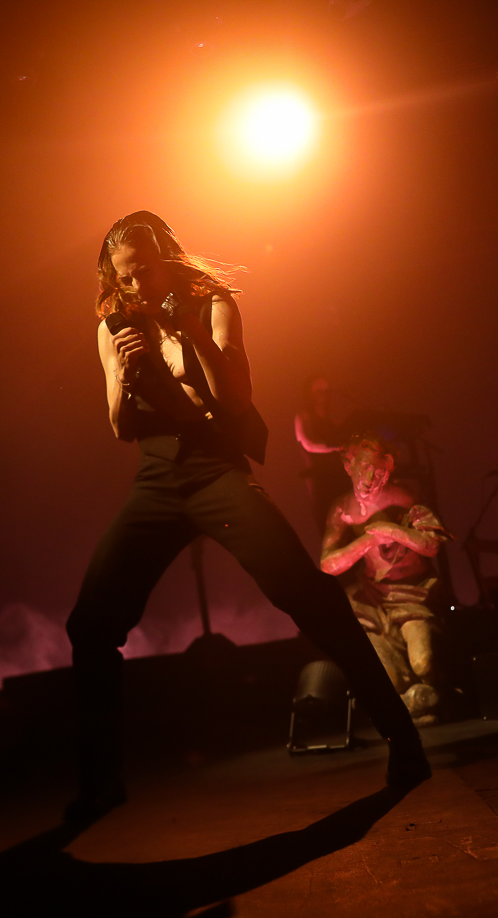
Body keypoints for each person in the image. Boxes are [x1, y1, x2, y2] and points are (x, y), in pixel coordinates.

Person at [63, 212, 429, 823]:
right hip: (158, 477)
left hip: (215, 469)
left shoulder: (213, 304)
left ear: (168, 260)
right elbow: (121, 428)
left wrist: (190, 334)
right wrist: (125, 375)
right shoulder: (113, 325)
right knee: (90, 626)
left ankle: (404, 740)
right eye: (123, 279)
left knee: (309, 597)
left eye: (143, 272)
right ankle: (101, 782)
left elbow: (235, 400)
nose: (134, 288)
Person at [320, 431, 450, 722]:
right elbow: (327, 564)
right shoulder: (342, 510)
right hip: (374, 599)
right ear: (348, 466)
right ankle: (412, 702)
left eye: (380, 473)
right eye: (365, 469)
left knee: (424, 663)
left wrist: (394, 532)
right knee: (389, 677)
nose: (371, 480)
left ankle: (439, 692)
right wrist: (365, 543)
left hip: (412, 594)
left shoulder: (402, 497)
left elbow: (432, 544)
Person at [294, 375, 352, 535]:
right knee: (330, 525)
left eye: (326, 391)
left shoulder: (332, 420)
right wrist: (336, 447)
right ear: (309, 393)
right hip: (320, 478)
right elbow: (309, 444)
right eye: (318, 391)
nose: (323, 395)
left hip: (340, 476)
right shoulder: (303, 416)